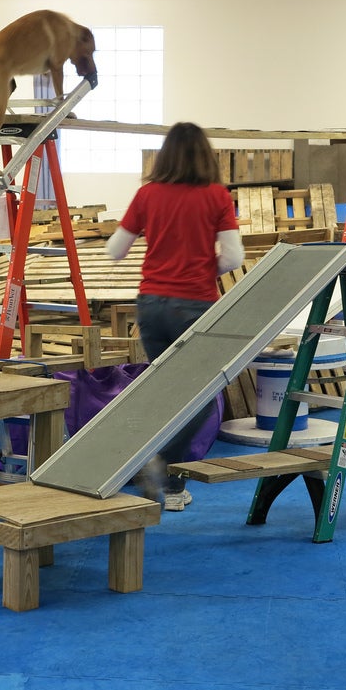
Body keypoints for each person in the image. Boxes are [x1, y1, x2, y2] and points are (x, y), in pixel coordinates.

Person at [105, 121, 244, 511]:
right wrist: (201, 269)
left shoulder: (147, 194)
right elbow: (234, 257)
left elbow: (114, 250)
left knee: (164, 393)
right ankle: (164, 467)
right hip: (194, 307)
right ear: (205, 155)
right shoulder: (216, 196)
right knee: (198, 398)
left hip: (150, 305)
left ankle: (170, 485)